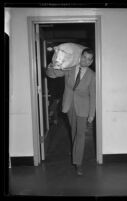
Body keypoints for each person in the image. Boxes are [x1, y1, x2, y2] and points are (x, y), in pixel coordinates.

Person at [46, 48, 96, 176]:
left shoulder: (92, 75)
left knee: (80, 135)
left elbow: (93, 95)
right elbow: (52, 73)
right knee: (73, 132)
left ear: (92, 61)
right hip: (69, 106)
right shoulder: (70, 68)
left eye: (90, 59)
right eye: (84, 57)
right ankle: (75, 151)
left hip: (83, 107)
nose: (86, 60)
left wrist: (91, 114)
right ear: (80, 57)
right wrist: (53, 64)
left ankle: (78, 163)